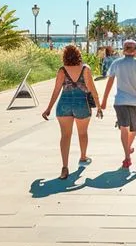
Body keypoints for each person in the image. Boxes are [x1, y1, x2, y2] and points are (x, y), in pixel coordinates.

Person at [42, 45, 99, 179]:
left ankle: (64, 166)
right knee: (82, 133)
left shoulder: (62, 70)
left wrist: (49, 108)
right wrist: (99, 106)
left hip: (64, 104)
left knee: (65, 136)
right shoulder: (85, 69)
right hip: (81, 104)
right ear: (79, 55)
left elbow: (56, 90)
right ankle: (83, 157)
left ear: (65, 56)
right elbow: (92, 89)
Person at [100, 40, 136, 169]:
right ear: (135, 50)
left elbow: (109, 82)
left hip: (120, 101)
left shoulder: (116, 64)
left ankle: (127, 152)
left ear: (123, 49)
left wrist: (104, 100)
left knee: (124, 128)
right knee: (132, 129)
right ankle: (127, 155)